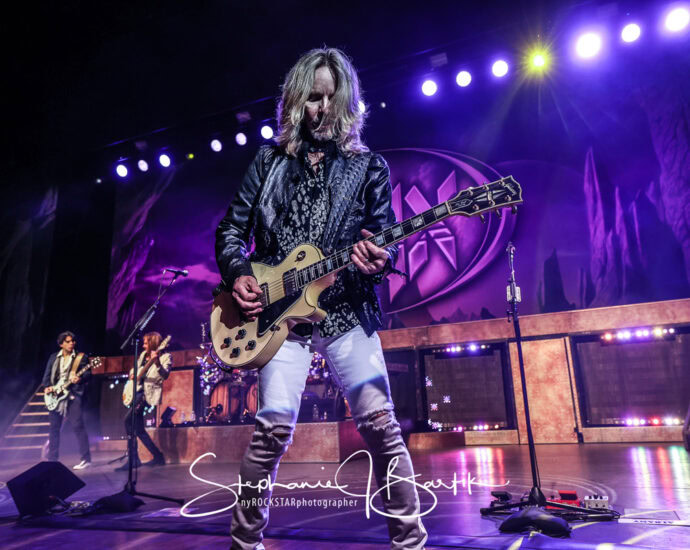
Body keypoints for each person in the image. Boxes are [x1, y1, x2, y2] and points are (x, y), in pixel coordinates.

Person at [216, 48, 427, 550]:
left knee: (381, 427)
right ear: (296, 101)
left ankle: (410, 543)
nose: (323, 108)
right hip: (276, 316)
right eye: (314, 97)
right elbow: (231, 231)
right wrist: (240, 273)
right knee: (271, 433)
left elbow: (384, 238)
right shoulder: (268, 162)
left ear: (347, 101)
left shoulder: (368, 167)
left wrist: (381, 258)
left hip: (345, 309)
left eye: (333, 98)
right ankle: (243, 544)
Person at [116, 331, 171, 469]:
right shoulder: (142, 355)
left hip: (146, 394)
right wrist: (132, 374)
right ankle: (158, 457)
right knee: (139, 429)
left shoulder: (166, 357)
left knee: (128, 420)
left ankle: (134, 459)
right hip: (137, 392)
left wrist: (157, 363)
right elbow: (136, 369)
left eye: (146, 343)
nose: (143, 345)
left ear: (153, 343)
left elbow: (165, 375)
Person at [42, 331, 91, 470]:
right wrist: (47, 387)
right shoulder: (53, 357)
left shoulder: (80, 357)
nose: (71, 344)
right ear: (61, 344)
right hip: (56, 396)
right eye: (68, 341)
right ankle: (52, 460)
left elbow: (88, 374)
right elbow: (46, 376)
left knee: (78, 425)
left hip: (73, 395)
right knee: (54, 428)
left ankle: (86, 459)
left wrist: (79, 378)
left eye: (72, 341)